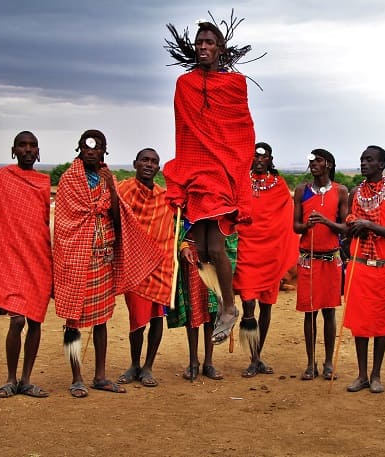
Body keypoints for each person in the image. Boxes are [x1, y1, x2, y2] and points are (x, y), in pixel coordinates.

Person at [163, 19, 257, 345]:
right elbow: (183, 131)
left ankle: (230, 308)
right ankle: (222, 304)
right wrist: (185, 172)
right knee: (201, 249)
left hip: (222, 172)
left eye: (209, 42)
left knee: (216, 247)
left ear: (220, 48)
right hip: (195, 170)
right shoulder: (184, 84)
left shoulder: (235, 84)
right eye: (199, 42)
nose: (203, 47)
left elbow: (242, 130)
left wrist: (235, 172)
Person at [53, 130, 162, 398]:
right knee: (73, 321)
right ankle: (76, 377)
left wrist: (111, 189)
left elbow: (116, 215)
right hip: (76, 256)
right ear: (79, 149)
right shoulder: (68, 180)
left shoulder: (108, 179)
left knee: (101, 319)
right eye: (87, 147)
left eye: (97, 147)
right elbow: (65, 221)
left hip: (103, 257)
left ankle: (100, 375)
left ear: (104, 151)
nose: (91, 151)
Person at [0, 131, 52, 398]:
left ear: (38, 151)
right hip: (12, 258)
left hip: (38, 257)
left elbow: (43, 222)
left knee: (35, 321)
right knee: (16, 320)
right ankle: (10, 378)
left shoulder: (43, 182)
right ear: (13, 150)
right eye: (22, 145)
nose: (28, 150)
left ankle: (27, 379)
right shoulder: (0, 178)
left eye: (32, 146)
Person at [234, 142, 299, 377]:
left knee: (266, 306)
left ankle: (257, 357)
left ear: (271, 160)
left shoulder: (279, 185)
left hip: (270, 254)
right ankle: (252, 356)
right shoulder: (241, 182)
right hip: (247, 250)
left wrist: (282, 246)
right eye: (255, 156)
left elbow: (286, 216)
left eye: (264, 156)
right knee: (248, 305)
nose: (259, 160)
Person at [343, 146, 385, 393]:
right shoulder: (355, 193)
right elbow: (347, 228)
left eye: (369, 160)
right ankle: (361, 375)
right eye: (361, 160)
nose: (363, 164)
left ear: (381, 165)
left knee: (379, 323)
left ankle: (376, 374)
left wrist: (369, 224)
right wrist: (352, 224)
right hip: (358, 267)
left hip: (382, 268)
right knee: (359, 323)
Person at [116, 148, 175, 388]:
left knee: (157, 318)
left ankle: (149, 366)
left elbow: (172, 228)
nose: (149, 165)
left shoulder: (165, 198)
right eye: (145, 160)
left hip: (161, 266)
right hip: (135, 266)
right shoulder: (122, 192)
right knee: (137, 319)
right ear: (135, 164)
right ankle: (134, 364)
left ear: (158, 168)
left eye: (154, 162)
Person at [293, 148, 348, 380]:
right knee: (309, 313)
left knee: (329, 312)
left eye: (319, 161)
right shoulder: (301, 191)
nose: (314, 164)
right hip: (308, 259)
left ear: (329, 165)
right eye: (312, 161)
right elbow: (295, 226)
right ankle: (310, 363)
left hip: (331, 259)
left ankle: (327, 363)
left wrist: (326, 221)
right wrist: (306, 226)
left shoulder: (341, 191)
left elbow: (346, 227)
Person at [166, 223, 238, 381]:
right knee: (194, 308)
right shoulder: (187, 198)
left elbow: (229, 227)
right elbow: (175, 221)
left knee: (212, 310)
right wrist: (182, 245)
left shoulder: (217, 201)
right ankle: (193, 362)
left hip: (215, 257)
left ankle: (209, 363)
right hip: (191, 252)